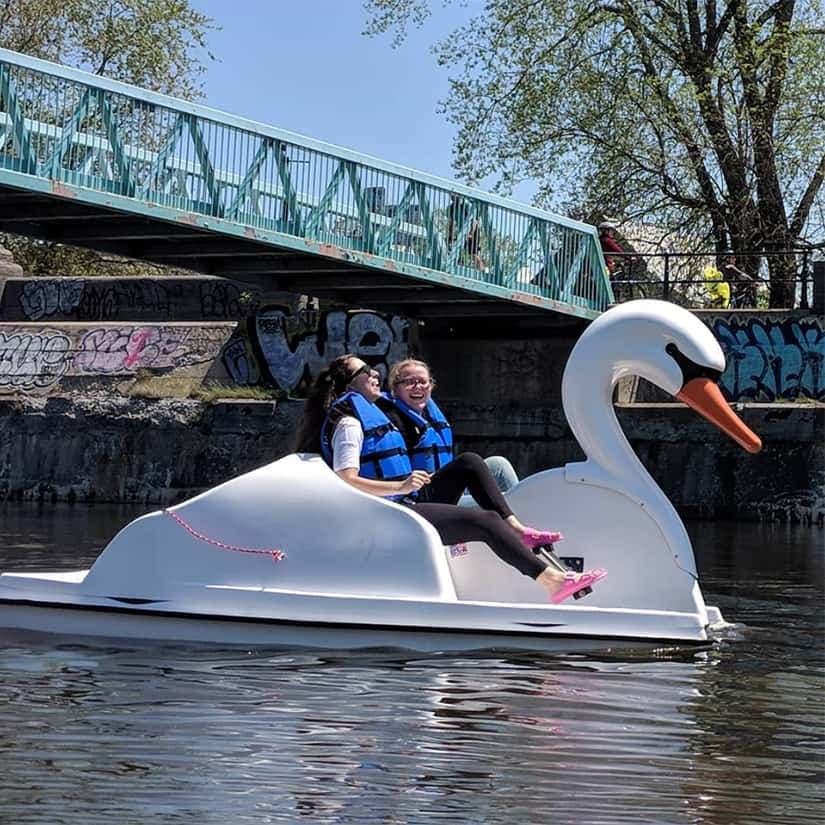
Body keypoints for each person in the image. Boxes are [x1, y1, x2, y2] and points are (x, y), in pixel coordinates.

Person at [295, 354, 607, 604]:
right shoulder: (350, 422)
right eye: (366, 372)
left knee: (469, 463)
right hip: (387, 515)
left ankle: (517, 529)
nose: (375, 374)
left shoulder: (368, 414)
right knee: (483, 520)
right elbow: (346, 479)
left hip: (406, 502)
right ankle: (552, 582)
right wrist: (400, 486)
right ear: (350, 384)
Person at [384, 358, 518, 505]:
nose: (418, 387)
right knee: (504, 500)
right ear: (395, 389)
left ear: (431, 385)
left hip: (448, 488)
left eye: (423, 381)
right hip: (424, 500)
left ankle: (519, 514)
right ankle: (519, 519)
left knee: (499, 465)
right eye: (410, 382)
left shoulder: (430, 417)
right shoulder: (395, 423)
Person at [448, 194, 486, 271]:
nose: (452, 197)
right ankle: (456, 267)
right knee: (456, 250)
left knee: (473, 253)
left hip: (473, 231)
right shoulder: (451, 208)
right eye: (451, 195)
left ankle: (482, 270)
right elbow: (451, 223)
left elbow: (474, 221)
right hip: (462, 232)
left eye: (454, 195)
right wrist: (450, 235)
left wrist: (471, 233)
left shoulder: (466, 204)